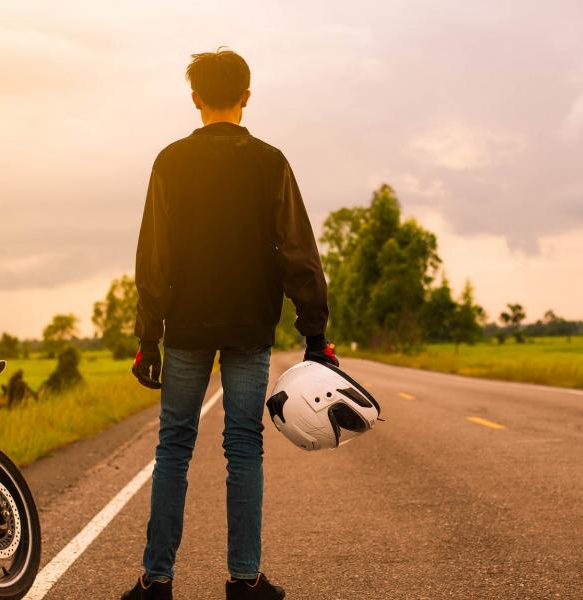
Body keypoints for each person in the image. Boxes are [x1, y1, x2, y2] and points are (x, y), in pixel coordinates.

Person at [122, 49, 339, 600]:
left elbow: (154, 257)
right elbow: (298, 251)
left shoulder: (169, 162)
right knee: (244, 445)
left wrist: (149, 338)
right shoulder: (270, 162)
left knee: (174, 445)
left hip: (187, 325)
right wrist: (315, 335)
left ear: (195, 98)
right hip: (249, 324)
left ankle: (157, 581)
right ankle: (244, 580)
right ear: (246, 96)